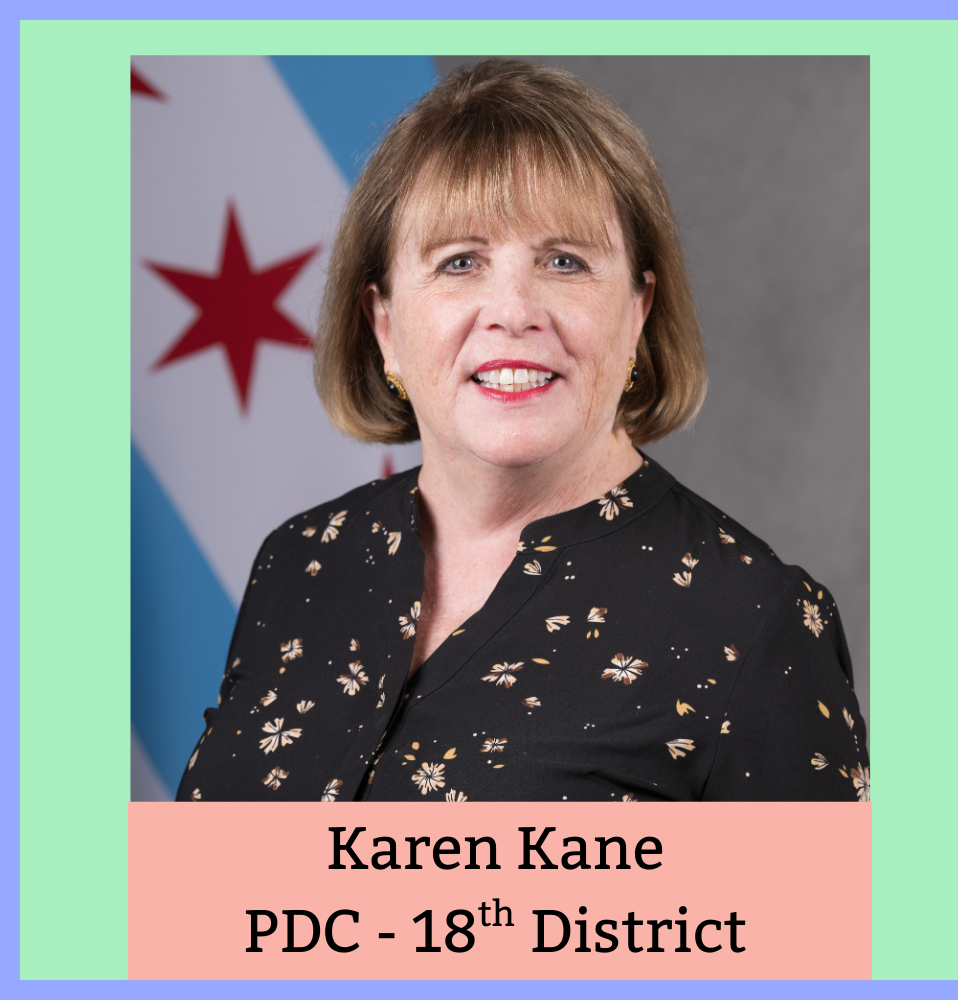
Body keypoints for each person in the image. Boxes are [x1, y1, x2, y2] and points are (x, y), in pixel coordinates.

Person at [176, 59, 869, 804]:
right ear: (386, 326)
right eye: (460, 262)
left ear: (637, 312)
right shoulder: (302, 567)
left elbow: (812, 924)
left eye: (565, 261)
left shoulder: (756, 622)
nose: (513, 310)